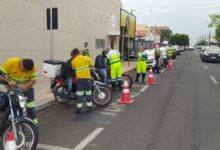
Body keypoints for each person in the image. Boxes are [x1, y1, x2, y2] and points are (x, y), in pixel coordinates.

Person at [0, 58, 38, 126]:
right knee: (17, 107)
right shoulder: (11, 62)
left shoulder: (32, 68)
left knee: (30, 107)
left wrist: (25, 87)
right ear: (21, 63)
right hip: (13, 88)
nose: (25, 72)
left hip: (27, 89)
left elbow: (33, 80)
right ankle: (18, 124)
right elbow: (0, 75)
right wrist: (8, 82)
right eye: (24, 70)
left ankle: (34, 125)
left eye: (27, 71)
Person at [71, 48, 93, 114]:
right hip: (87, 79)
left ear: (74, 54)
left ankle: (79, 109)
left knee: (80, 95)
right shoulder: (86, 58)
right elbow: (92, 64)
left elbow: (73, 68)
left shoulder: (73, 61)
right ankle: (89, 108)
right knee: (88, 94)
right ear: (79, 52)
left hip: (80, 80)